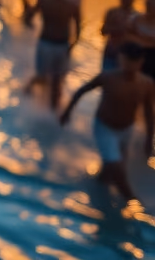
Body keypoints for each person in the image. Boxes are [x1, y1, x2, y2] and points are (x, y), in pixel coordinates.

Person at [59, 42, 154, 204]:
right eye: (125, 60)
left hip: (126, 129)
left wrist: (148, 140)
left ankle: (95, 192)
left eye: (133, 61)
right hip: (105, 128)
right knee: (117, 169)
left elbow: (148, 113)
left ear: (140, 62)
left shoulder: (146, 84)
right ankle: (134, 203)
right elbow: (82, 90)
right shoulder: (108, 77)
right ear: (120, 60)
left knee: (111, 170)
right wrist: (67, 112)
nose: (128, 65)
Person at [26, 0, 79, 110]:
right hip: (62, 45)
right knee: (56, 82)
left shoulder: (44, 2)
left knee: (42, 77)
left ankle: (27, 90)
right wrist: (71, 45)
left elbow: (28, 17)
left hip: (45, 43)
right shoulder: (71, 5)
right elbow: (78, 30)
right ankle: (52, 111)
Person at [101, 0, 139, 71]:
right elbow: (103, 31)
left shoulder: (137, 16)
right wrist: (120, 28)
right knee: (108, 79)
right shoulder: (112, 12)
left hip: (127, 56)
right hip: (111, 53)